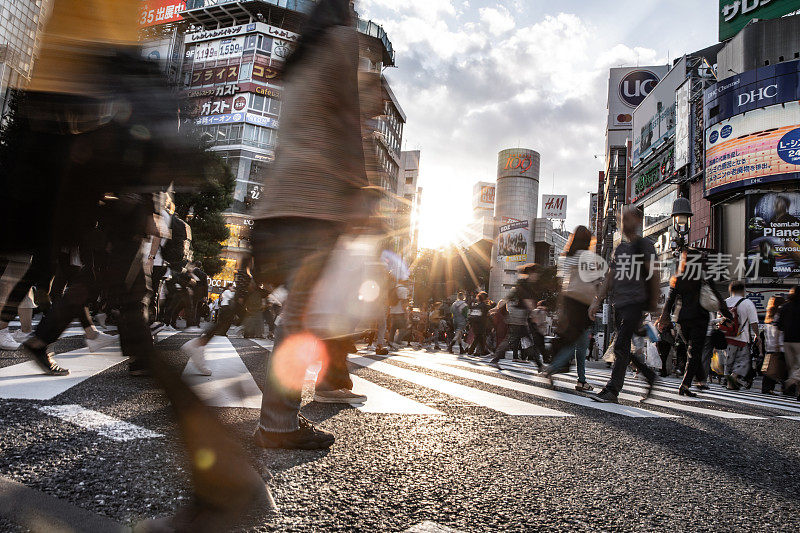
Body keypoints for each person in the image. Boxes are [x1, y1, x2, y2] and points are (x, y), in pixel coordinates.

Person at [232, 0, 379, 449]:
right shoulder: (341, 42)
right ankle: (278, 425)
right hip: (317, 202)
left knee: (296, 316)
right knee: (299, 317)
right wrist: (363, 192)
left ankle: (279, 421)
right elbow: (349, 122)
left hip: (280, 204)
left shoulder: (299, 56)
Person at [589, 206, 658, 403]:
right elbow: (610, 276)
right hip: (619, 304)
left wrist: (653, 303)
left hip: (635, 303)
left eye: (627, 219)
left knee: (620, 345)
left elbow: (653, 273)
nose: (623, 224)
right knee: (624, 347)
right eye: (621, 220)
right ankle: (649, 375)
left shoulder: (645, 245)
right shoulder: (621, 248)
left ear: (637, 220)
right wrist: (597, 301)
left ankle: (613, 390)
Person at [658, 249, 731, 397]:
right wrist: (728, 315)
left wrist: (664, 318)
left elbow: (670, 300)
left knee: (691, 351)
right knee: (694, 351)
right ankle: (685, 384)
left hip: (683, 320)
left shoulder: (678, 278)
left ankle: (701, 380)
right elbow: (716, 296)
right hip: (700, 318)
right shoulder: (704, 276)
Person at [543, 226, 603, 391]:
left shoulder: (567, 256)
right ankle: (553, 368)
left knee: (580, 341)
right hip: (583, 303)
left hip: (569, 301)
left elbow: (561, 283)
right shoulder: (589, 257)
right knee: (575, 342)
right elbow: (596, 282)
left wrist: (560, 307)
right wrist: (596, 302)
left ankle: (582, 380)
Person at [720, 281, 760, 390]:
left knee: (728, 361)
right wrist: (757, 335)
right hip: (741, 338)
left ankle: (729, 383)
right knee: (743, 361)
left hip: (726, 337)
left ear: (730, 290)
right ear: (743, 290)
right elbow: (753, 322)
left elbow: (719, 321)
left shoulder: (724, 303)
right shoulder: (747, 303)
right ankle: (734, 376)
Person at [777, 287, 800, 399]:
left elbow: (779, 326)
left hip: (787, 340)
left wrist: (778, 342)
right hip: (799, 341)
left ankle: (799, 392)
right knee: (798, 368)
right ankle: (792, 380)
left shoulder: (785, 307)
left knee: (793, 367)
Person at [762, 295, 786, 395]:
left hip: (769, 347)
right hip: (779, 347)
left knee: (769, 369)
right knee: (783, 369)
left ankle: (767, 388)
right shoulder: (778, 317)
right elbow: (778, 333)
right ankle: (786, 388)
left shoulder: (768, 317)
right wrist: (777, 345)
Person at [387, 280, 410, 347]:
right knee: (404, 327)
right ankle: (397, 340)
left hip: (393, 311)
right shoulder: (403, 289)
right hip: (400, 312)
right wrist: (406, 312)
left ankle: (391, 342)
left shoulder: (395, 288)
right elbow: (404, 302)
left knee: (393, 328)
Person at [466, 291, 490, 356]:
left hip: (474, 323)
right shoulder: (485, 306)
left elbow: (471, 315)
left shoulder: (475, 306)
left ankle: (483, 351)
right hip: (481, 324)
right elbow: (485, 315)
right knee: (478, 337)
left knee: (479, 337)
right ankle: (472, 351)